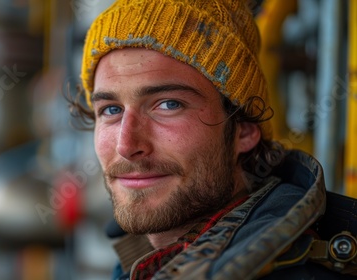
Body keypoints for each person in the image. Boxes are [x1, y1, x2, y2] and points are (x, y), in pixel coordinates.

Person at [68, 0, 357, 279]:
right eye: (111, 109)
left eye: (169, 104)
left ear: (243, 129)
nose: (126, 145)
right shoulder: (143, 261)